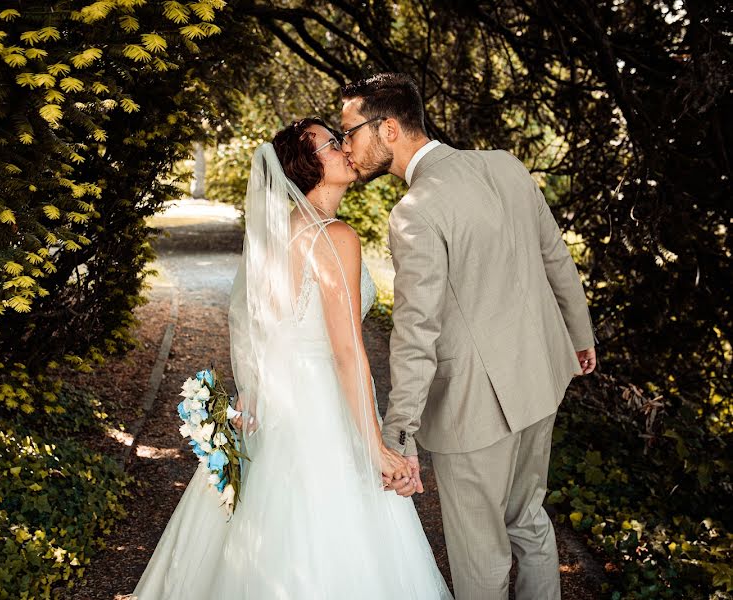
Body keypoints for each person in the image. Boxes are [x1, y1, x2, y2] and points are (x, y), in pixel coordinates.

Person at [132, 118, 452, 599]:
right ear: (307, 165)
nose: (347, 147)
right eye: (332, 143)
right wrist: (374, 447)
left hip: (280, 403)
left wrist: (254, 399)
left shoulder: (276, 230)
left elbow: (261, 334)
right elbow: (347, 353)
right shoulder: (335, 236)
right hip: (322, 408)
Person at [340, 72, 597, 600]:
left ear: (388, 128)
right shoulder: (504, 165)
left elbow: (417, 330)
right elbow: (556, 257)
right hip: (543, 379)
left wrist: (398, 431)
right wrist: (579, 335)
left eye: (350, 131)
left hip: (476, 408)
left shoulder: (415, 211)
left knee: (480, 556)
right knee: (528, 519)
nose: (347, 146)